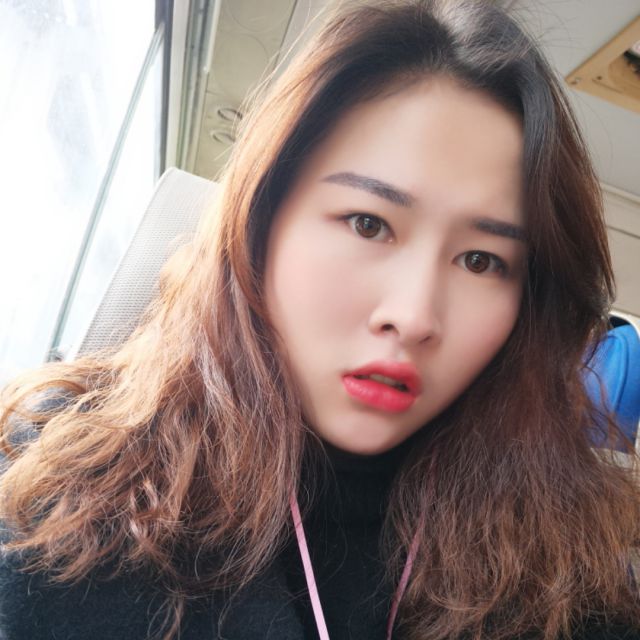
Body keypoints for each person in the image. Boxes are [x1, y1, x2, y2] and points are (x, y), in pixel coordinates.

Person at [1, 0, 639, 638]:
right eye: (368, 224)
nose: (414, 316)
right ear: (261, 221)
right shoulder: (56, 491)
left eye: (481, 260)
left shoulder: (572, 572)